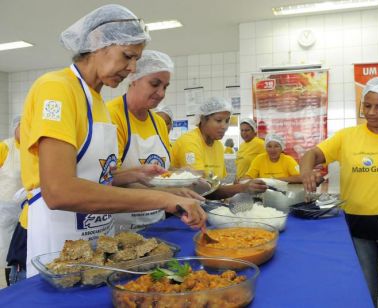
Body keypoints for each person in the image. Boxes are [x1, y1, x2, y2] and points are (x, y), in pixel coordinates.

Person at [19, 5, 205, 277]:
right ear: (97, 43)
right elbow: (59, 191)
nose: (131, 69)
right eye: (127, 56)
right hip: (58, 240)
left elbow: (95, 176)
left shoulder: (98, 102)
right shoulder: (57, 88)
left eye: (136, 60)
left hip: (97, 239)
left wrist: (136, 176)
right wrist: (161, 198)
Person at [300, 77, 378, 308]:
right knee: (363, 297)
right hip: (357, 227)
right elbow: (312, 154)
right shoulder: (347, 136)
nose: (371, 112)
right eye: (367, 105)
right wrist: (307, 171)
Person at [107, 50, 203, 232]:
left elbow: (160, 172)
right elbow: (110, 179)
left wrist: (184, 176)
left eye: (165, 87)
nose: (161, 93)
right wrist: (168, 195)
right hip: (122, 227)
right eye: (154, 84)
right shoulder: (111, 116)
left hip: (158, 221)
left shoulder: (158, 122)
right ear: (133, 78)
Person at [171, 97, 267, 198]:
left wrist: (236, 186)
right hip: (181, 206)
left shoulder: (218, 146)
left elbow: (216, 183)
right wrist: (242, 188)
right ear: (203, 120)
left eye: (227, 121)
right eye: (218, 120)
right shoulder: (190, 142)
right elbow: (200, 189)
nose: (224, 126)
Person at [0, 116, 23, 284]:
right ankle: (9, 284)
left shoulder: (35, 149)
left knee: (22, 252)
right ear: (14, 127)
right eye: (22, 126)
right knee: (6, 250)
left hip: (28, 209)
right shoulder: (5, 147)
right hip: (6, 210)